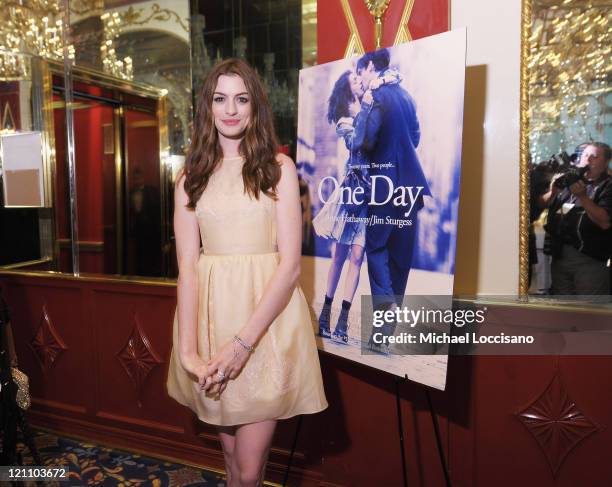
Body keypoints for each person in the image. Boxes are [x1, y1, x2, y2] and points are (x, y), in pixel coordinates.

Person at [166, 58, 327, 487]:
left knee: (252, 469)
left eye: (241, 99)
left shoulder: (278, 170)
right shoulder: (189, 178)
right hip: (210, 325)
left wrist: (242, 345)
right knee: (233, 461)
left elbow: (290, 266)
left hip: (265, 328)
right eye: (220, 99)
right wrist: (187, 352)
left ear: (255, 106)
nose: (231, 109)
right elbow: (187, 266)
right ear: (208, 106)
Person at [352, 49, 432, 350]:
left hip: (384, 186)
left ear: (370, 67)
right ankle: (386, 330)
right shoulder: (407, 96)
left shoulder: (377, 97)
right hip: (410, 186)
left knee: (375, 249)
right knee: (400, 255)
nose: (360, 78)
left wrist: (362, 111)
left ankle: (383, 324)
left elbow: (365, 141)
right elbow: (415, 136)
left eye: (361, 72)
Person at [313, 68, 401, 343]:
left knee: (357, 257)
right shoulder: (343, 120)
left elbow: (396, 77)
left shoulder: (370, 104)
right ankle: (326, 312)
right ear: (346, 89)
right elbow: (357, 141)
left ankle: (342, 321)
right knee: (339, 256)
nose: (360, 82)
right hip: (352, 195)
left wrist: (384, 81)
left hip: (370, 195)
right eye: (354, 80)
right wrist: (365, 107)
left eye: (360, 79)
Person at [540, 142, 612, 296]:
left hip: (590, 259)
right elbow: (538, 205)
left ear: (606, 162)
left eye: (594, 156)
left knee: (589, 311)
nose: (588, 160)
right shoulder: (571, 181)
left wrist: (583, 197)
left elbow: (605, 222)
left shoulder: (608, 186)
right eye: (586, 155)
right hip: (560, 256)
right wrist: (552, 193)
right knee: (564, 311)